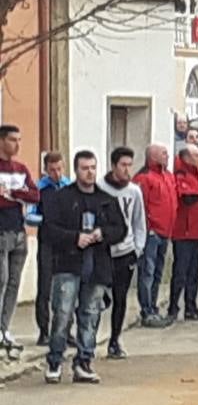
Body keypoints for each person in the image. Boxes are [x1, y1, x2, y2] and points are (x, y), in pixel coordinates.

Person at [41, 150, 128, 384]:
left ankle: (84, 362)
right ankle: (55, 361)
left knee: (90, 315)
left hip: (97, 266)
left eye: (92, 168)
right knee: (62, 314)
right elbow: (48, 229)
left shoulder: (106, 199)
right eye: (84, 168)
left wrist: (103, 233)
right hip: (68, 264)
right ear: (76, 170)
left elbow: (121, 229)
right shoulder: (62, 198)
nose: (89, 173)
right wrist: (74, 238)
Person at [97, 147, 147, 359]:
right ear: (113, 166)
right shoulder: (100, 188)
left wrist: (137, 249)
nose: (127, 169)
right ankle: (89, 339)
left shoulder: (134, 191)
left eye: (129, 165)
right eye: (123, 165)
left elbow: (139, 221)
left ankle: (115, 339)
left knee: (121, 297)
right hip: (103, 251)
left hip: (126, 252)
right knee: (97, 297)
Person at [0, 125, 38, 356]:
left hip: (19, 231)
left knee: (14, 282)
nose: (17, 145)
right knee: (1, 280)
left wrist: (13, 193)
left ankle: (5, 328)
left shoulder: (21, 169)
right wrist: (16, 195)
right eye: (13, 140)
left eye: (19, 140)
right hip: (1, 231)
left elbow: (34, 195)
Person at [133, 145, 175, 328]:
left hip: (165, 231)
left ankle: (153, 307)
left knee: (157, 272)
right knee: (147, 272)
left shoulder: (168, 176)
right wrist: (146, 229)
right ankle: (147, 310)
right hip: (151, 233)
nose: (167, 156)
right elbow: (140, 207)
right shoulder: (143, 178)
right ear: (153, 156)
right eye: (164, 153)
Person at [168, 144, 198, 323]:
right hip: (183, 231)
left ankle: (191, 306)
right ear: (186, 158)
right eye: (196, 155)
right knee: (180, 272)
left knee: (194, 272)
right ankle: (173, 307)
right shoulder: (180, 176)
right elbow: (189, 198)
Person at [31, 152, 69, 347]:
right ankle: (44, 331)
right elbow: (29, 215)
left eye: (59, 169)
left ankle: (66, 330)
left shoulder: (69, 186)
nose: (57, 173)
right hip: (46, 242)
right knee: (44, 287)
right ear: (46, 170)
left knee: (67, 288)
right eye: (52, 170)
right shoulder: (39, 189)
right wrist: (45, 220)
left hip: (67, 242)